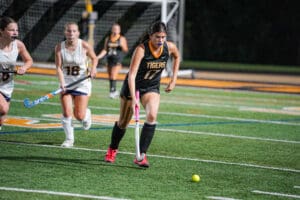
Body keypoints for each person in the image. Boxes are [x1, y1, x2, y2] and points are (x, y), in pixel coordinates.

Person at [104, 21, 180, 168]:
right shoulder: (141, 49)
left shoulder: (169, 47)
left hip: (151, 87)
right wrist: (133, 99)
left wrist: (173, 79)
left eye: (163, 37)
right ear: (151, 36)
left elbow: (177, 56)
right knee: (123, 122)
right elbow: (131, 75)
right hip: (133, 87)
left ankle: (142, 155)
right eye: (157, 37)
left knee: (152, 116)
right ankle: (112, 149)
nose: (161, 40)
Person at [55, 22, 98, 147]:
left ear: (78, 33)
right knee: (67, 113)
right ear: (65, 32)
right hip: (66, 84)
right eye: (69, 31)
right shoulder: (59, 47)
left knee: (79, 116)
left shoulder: (84, 45)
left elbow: (94, 58)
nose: (71, 34)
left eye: (74, 31)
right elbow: (58, 67)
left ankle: (86, 115)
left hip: (82, 83)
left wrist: (93, 69)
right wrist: (62, 83)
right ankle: (69, 140)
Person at [0, 17, 33, 130]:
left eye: (16, 30)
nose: (15, 32)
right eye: (11, 30)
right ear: (1, 30)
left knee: (1, 120)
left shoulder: (18, 45)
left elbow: (29, 60)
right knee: (4, 109)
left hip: (7, 87)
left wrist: (23, 68)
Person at [97, 23, 128, 99]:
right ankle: (113, 91)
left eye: (117, 29)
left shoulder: (121, 38)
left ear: (119, 30)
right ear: (112, 29)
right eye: (114, 29)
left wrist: (121, 45)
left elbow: (126, 50)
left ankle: (112, 92)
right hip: (109, 59)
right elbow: (105, 49)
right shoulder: (108, 38)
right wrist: (98, 57)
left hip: (117, 59)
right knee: (110, 76)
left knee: (114, 75)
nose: (115, 30)